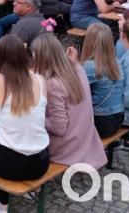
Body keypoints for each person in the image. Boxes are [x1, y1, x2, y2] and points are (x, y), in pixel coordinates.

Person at [0, 35, 49, 212]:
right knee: (3, 142)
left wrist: (4, 115)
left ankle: (2, 204)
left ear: (0, 56)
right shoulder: (40, 79)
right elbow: (36, 114)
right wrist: (8, 116)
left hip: (9, 164)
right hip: (40, 163)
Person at [31, 34, 106, 169]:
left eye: (34, 55)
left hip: (66, 147)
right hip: (84, 137)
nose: (33, 59)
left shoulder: (53, 84)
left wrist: (32, 114)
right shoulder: (77, 68)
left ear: (42, 57)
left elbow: (59, 128)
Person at [73, 23, 125, 139]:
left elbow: (72, 88)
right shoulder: (117, 62)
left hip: (100, 123)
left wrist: (73, 64)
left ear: (89, 42)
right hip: (117, 118)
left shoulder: (90, 67)